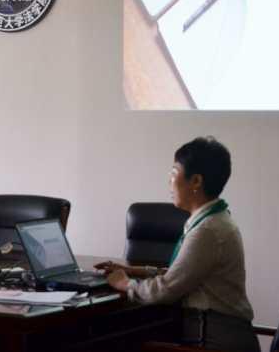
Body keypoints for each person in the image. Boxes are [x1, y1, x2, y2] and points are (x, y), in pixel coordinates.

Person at [96, 136, 260, 352]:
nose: (169, 181)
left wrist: (126, 284)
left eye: (174, 173)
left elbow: (166, 289)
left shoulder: (207, 231)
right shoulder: (214, 219)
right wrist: (134, 270)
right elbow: (183, 275)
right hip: (221, 335)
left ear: (196, 181)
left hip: (212, 341)